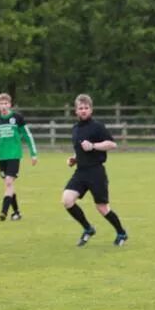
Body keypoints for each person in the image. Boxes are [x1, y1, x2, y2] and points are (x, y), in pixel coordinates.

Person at [61, 94, 128, 247]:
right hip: (81, 172)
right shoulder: (75, 129)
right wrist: (74, 159)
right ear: (76, 111)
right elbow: (80, 150)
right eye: (80, 108)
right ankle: (88, 228)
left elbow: (112, 144)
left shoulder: (97, 127)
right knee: (67, 199)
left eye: (86, 108)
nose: (83, 111)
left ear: (91, 110)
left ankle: (121, 232)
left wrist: (94, 146)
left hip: (96, 172)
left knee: (102, 208)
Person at [0, 93, 38, 221]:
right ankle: (16, 212)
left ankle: (3, 212)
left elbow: (28, 136)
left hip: (14, 155)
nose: (4, 106)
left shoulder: (17, 118)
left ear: (10, 104)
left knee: (8, 182)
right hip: (1, 156)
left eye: (6, 103)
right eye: (1, 104)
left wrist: (33, 154)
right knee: (9, 186)